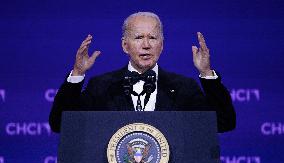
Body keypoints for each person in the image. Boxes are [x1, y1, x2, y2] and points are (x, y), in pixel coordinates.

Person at [49, 12, 236, 133]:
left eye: (152, 38)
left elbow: (224, 122)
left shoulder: (183, 87)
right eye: (139, 37)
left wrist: (206, 74)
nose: (146, 45)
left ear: (161, 46)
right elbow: (60, 124)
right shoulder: (102, 86)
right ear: (125, 45)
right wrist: (77, 74)